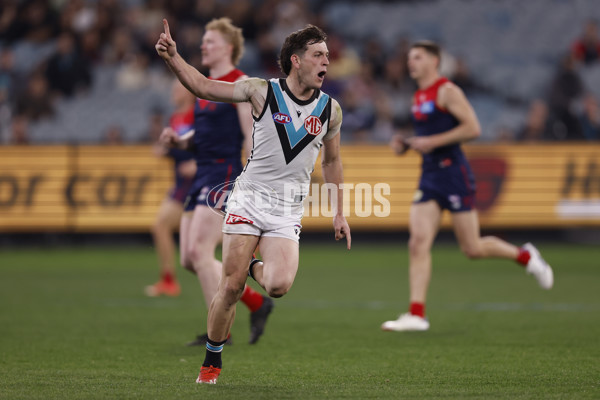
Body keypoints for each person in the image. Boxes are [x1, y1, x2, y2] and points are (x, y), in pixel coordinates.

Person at [156, 19, 351, 384]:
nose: (327, 60)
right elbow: (202, 86)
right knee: (229, 288)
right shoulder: (261, 91)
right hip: (248, 199)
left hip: (286, 209)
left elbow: (332, 161)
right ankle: (211, 363)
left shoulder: (330, 111)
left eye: (327, 55)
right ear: (296, 60)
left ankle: (246, 264)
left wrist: (340, 212)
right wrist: (173, 58)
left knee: (278, 284)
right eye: (319, 54)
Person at [382, 41, 554, 333]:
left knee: (472, 248)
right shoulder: (419, 95)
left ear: (435, 61)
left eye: (418, 57)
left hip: (454, 174)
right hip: (430, 175)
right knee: (418, 242)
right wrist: (407, 145)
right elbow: (428, 135)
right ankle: (416, 314)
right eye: (410, 57)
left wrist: (431, 142)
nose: (411, 62)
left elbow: (473, 128)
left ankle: (525, 256)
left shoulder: (447, 91)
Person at [157, 18, 275, 349]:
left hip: (224, 175)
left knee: (199, 251)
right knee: (188, 259)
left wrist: (251, 180)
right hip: (202, 175)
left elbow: (250, 135)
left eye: (210, 41)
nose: (204, 46)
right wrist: (180, 142)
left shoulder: (241, 83)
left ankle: (219, 334)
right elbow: (205, 134)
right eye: (204, 40)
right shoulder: (206, 84)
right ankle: (255, 302)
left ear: (229, 48)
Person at [145, 79, 196, 297]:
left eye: (178, 89)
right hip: (181, 182)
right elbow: (178, 149)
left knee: (162, 226)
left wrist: (197, 163)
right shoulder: (175, 118)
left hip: (196, 182)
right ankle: (168, 280)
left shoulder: (197, 116)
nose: (173, 93)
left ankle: (169, 280)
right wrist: (164, 150)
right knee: (164, 227)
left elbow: (208, 144)